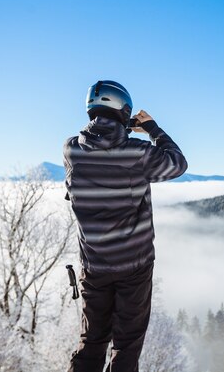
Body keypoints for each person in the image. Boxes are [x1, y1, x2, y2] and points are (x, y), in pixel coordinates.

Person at [63, 80, 188, 372]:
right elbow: (177, 163)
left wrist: (122, 129)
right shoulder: (137, 152)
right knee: (126, 345)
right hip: (134, 266)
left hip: (94, 267)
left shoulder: (70, 150)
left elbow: (100, 145)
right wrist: (153, 129)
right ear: (124, 110)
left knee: (92, 341)